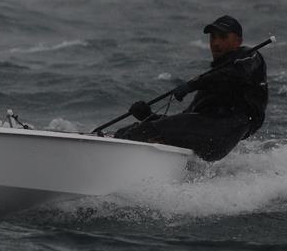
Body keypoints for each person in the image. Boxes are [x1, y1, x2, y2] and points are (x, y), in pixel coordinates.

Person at [114, 15, 268, 161]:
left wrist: (192, 85)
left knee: (142, 132)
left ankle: (114, 161)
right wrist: (147, 115)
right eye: (213, 37)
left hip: (224, 131)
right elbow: (187, 118)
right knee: (129, 131)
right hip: (208, 133)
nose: (215, 43)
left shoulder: (251, 57)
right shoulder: (211, 80)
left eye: (223, 37)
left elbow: (235, 75)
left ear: (238, 41)